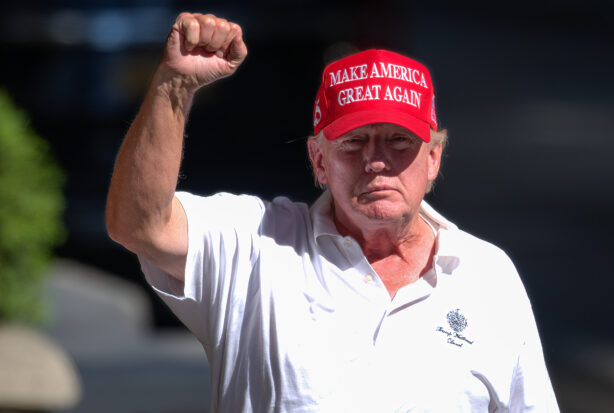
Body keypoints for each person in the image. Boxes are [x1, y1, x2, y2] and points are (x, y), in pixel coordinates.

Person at [106, 12, 560, 413]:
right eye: (354, 142)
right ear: (319, 160)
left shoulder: (488, 276)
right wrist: (175, 84)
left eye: (399, 141)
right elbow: (138, 224)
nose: (377, 161)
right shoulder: (256, 245)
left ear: (434, 158)